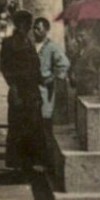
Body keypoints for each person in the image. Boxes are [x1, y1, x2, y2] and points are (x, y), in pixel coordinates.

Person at [0, 9, 41, 171]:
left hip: (31, 89)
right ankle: (17, 162)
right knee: (17, 125)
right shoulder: (9, 43)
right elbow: (5, 67)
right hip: (18, 89)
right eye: (28, 23)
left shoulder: (28, 41)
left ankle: (28, 162)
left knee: (31, 125)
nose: (30, 26)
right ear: (21, 24)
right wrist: (13, 87)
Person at [32, 16, 72, 160]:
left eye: (39, 28)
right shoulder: (31, 46)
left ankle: (47, 158)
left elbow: (64, 64)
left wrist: (52, 77)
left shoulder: (52, 47)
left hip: (44, 90)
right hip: (31, 91)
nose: (36, 31)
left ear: (46, 31)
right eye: (34, 28)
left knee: (45, 123)